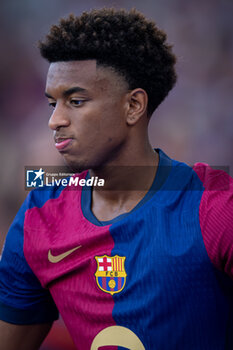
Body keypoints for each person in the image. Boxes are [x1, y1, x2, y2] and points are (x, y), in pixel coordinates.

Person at [0, 7, 232, 350]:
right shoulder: (39, 215)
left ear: (133, 107)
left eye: (76, 101)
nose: (55, 121)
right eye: (53, 104)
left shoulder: (215, 208)